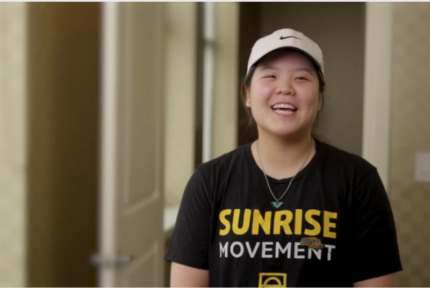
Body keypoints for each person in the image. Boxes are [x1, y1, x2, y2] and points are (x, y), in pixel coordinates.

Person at [165, 28, 402, 287]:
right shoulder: (209, 180)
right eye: (270, 75)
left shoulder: (358, 180)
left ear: (320, 98)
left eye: (301, 78)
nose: (285, 88)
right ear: (247, 94)